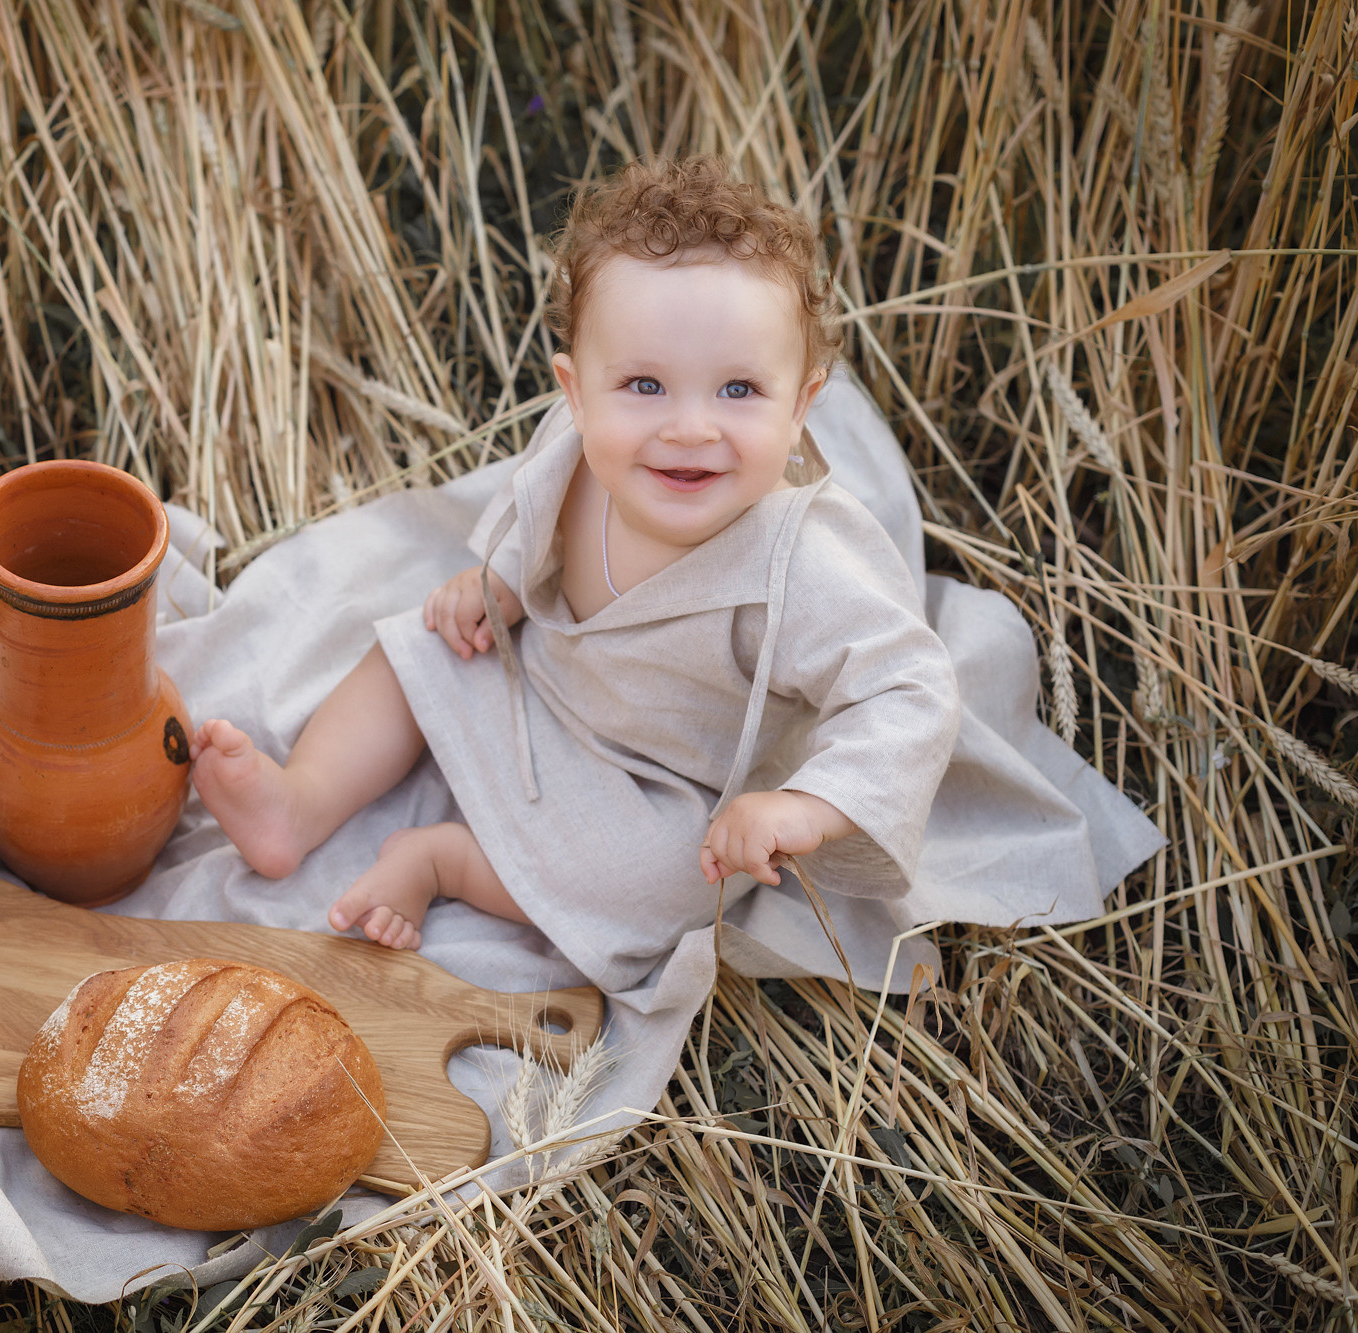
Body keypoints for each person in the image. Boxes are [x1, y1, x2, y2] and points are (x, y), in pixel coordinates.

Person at [189, 157, 960, 955]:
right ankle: (300, 802)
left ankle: (446, 861)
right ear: (577, 391)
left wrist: (805, 805)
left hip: (654, 784)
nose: (690, 426)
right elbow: (534, 519)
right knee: (418, 645)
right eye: (645, 385)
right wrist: (501, 582)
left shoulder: (800, 561)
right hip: (540, 670)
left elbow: (909, 689)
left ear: (801, 404)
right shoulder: (580, 449)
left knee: (669, 886)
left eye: (737, 390)